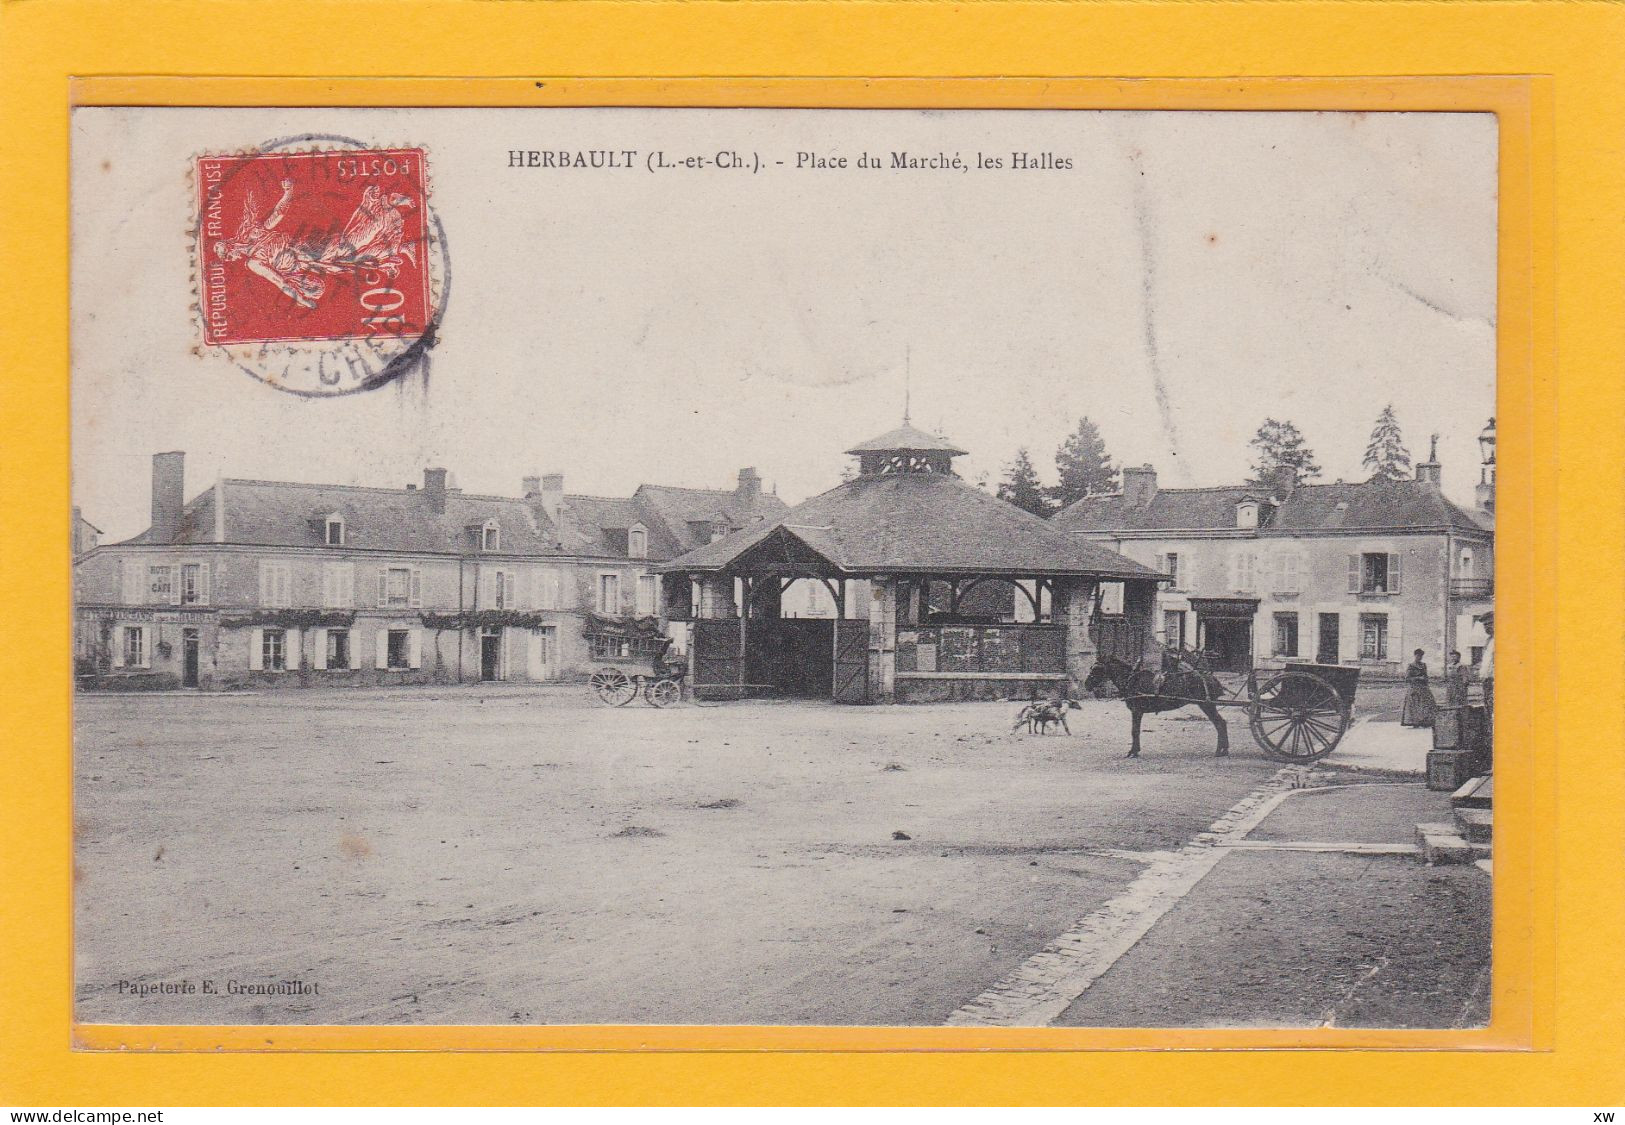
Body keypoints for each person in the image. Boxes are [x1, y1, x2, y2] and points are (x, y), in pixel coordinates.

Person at [1400, 647, 1437, 728]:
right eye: (1418, 656)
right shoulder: (1411, 666)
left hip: (1423, 688)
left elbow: (1426, 676)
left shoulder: (1423, 665)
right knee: (1414, 705)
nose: (1419, 657)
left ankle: (1425, 721)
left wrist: (1425, 680)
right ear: (1415, 656)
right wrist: (1418, 678)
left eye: (1421, 656)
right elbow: (1407, 678)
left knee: (1426, 704)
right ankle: (1415, 722)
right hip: (1414, 688)